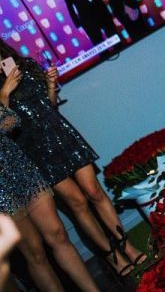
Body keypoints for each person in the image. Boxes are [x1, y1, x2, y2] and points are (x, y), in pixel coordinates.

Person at [0, 42, 144, 277]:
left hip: (61, 134)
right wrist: (5, 94)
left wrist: (50, 85)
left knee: (94, 191)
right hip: (34, 151)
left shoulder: (26, 66)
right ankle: (113, 257)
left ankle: (126, 245)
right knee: (77, 202)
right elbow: (5, 128)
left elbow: (50, 105)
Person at [1, 103, 99, 292]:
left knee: (58, 233)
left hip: (20, 169)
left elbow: (12, 120)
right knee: (35, 252)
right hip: (2, 192)